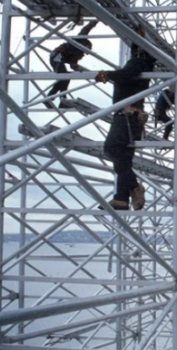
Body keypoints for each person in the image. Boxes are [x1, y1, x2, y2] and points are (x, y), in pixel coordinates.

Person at [96, 42, 154, 210]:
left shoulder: (137, 62)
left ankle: (134, 187)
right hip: (132, 117)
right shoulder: (145, 65)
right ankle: (121, 198)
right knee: (123, 157)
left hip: (127, 116)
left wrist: (107, 74)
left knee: (112, 149)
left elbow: (128, 73)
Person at [44, 19, 97, 109]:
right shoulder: (79, 41)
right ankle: (54, 99)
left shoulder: (79, 53)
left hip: (58, 59)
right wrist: (94, 22)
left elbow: (73, 64)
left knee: (65, 79)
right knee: (64, 78)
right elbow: (85, 29)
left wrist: (79, 69)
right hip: (56, 57)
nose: (84, 52)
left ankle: (59, 100)